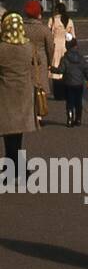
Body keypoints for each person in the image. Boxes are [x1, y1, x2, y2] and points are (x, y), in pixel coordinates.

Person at [0, 13, 37, 166]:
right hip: (24, 95)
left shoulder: (2, 48)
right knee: (18, 134)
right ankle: (17, 168)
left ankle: (14, 167)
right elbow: (36, 63)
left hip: (5, 95)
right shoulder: (29, 47)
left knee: (8, 135)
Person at [22, 1, 54, 126]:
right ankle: (39, 116)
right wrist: (50, 62)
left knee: (27, 87)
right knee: (40, 87)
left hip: (25, 58)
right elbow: (50, 47)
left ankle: (29, 114)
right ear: (39, 14)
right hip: (40, 60)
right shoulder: (44, 29)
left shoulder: (22, 28)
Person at [53, 35, 88, 128]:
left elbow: (61, 70)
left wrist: (52, 69)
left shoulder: (65, 58)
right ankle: (78, 119)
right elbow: (86, 69)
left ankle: (70, 119)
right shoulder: (81, 58)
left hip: (68, 83)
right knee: (78, 101)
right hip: (79, 83)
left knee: (69, 102)